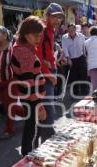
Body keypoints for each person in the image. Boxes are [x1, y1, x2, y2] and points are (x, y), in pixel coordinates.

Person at [11, 16, 47, 156]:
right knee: (31, 126)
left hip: (30, 96)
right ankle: (27, 155)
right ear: (26, 34)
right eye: (36, 35)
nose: (38, 38)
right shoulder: (23, 50)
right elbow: (28, 81)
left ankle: (29, 152)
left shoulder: (25, 47)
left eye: (40, 35)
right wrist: (39, 105)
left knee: (31, 125)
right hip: (31, 97)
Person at [37, 3, 64, 136]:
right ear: (47, 16)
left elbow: (46, 53)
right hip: (44, 75)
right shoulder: (41, 30)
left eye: (60, 18)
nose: (57, 20)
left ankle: (45, 138)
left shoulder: (51, 31)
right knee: (48, 109)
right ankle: (48, 139)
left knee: (48, 108)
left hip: (49, 72)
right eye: (54, 17)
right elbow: (38, 57)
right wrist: (49, 74)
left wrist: (54, 62)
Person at [62, 23, 89, 97]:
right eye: (69, 30)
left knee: (83, 75)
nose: (71, 31)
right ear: (67, 30)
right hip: (71, 59)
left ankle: (84, 92)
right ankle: (75, 93)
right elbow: (65, 48)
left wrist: (85, 57)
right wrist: (68, 58)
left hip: (81, 57)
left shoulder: (81, 36)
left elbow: (84, 47)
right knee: (74, 77)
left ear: (75, 29)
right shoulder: (64, 37)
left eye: (73, 29)